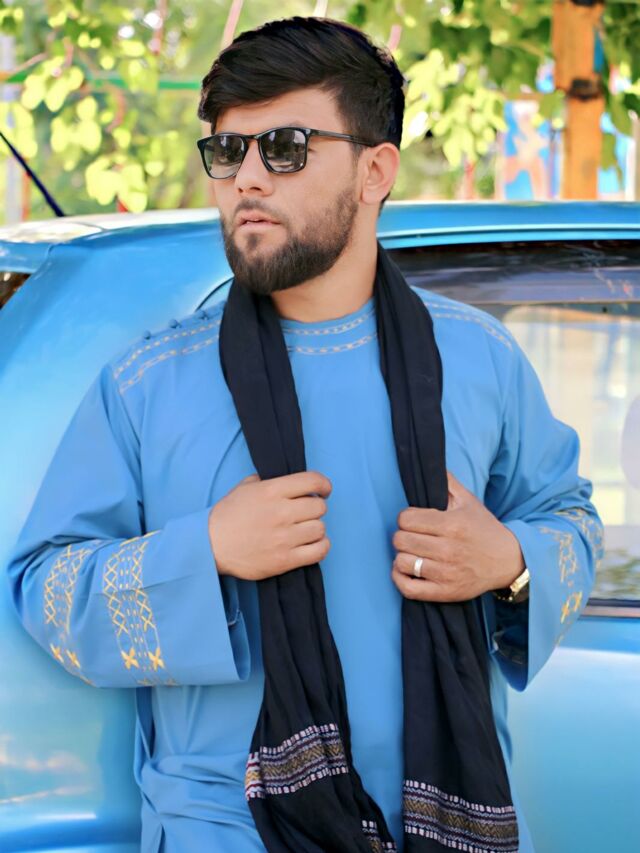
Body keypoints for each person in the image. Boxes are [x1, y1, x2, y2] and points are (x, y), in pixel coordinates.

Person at [7, 17, 603, 853]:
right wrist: (206, 550)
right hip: (229, 831)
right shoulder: (148, 384)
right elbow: (44, 585)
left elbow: (570, 518)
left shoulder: (479, 359)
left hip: (456, 821)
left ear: (375, 170)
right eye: (227, 151)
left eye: (285, 148)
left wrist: (509, 560)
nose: (247, 177)